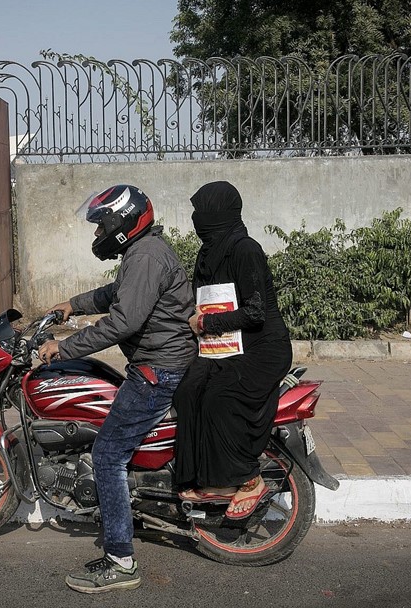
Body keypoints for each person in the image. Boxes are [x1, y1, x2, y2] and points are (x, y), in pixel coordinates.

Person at [36, 184, 196, 594]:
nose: (97, 235)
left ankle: (121, 560)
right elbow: (115, 294)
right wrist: (74, 304)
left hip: (158, 370)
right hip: (157, 364)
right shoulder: (142, 253)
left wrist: (64, 346)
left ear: (122, 223)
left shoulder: (144, 256)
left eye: (101, 225)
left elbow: (122, 321)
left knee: (107, 455)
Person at [172, 180, 293, 520]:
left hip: (263, 348)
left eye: (202, 212)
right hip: (223, 346)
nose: (197, 219)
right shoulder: (208, 254)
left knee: (219, 397)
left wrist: (207, 324)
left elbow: (255, 313)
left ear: (218, 215)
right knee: (188, 390)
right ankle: (198, 477)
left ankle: (246, 478)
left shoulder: (245, 250)